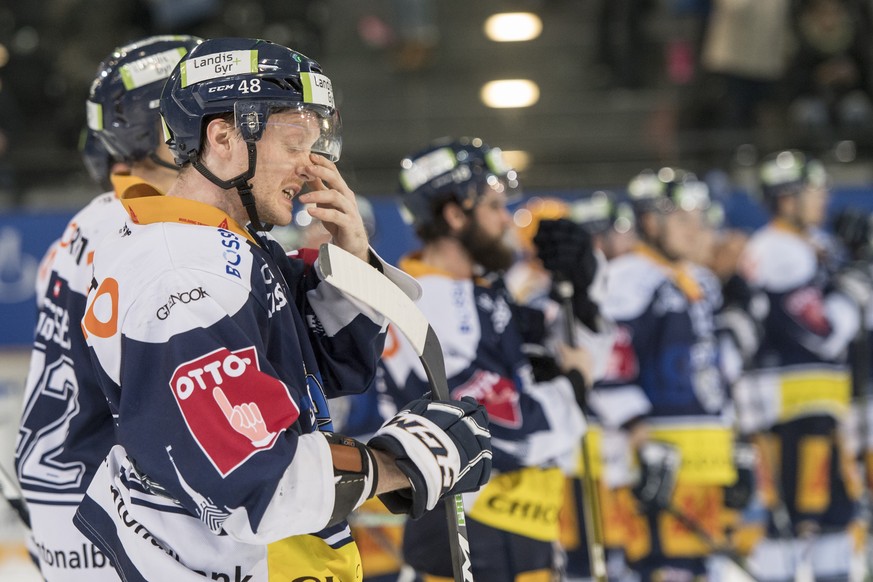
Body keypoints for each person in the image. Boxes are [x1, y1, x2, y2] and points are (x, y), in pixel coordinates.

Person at [71, 38, 492, 582]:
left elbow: (331, 366)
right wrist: (401, 463)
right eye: (295, 141)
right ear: (222, 137)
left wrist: (353, 258)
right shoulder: (181, 277)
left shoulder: (224, 245)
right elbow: (254, 483)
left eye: (318, 143)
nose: (312, 165)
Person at [13, 35, 202, 582]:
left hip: (63, 502)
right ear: (162, 126)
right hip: (119, 521)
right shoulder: (153, 231)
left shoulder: (88, 223)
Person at [379, 137, 594, 581]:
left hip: (517, 523)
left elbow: (554, 344)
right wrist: (572, 389)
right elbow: (495, 423)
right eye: (494, 207)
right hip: (471, 525)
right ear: (455, 215)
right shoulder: (428, 302)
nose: (507, 221)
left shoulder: (477, 287)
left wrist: (582, 284)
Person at [593, 168, 741, 581]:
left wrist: (735, 440)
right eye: (682, 219)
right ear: (650, 222)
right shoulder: (627, 278)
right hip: (659, 452)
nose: (697, 230)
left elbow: (712, 369)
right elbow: (608, 367)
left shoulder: (701, 280)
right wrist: (641, 437)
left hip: (706, 455)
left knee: (700, 566)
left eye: (700, 218)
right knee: (659, 567)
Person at [738, 150, 868, 582]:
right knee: (791, 518)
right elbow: (824, 331)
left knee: (836, 512)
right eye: (815, 192)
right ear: (787, 198)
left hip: (822, 408)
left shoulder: (808, 245)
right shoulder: (776, 249)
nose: (824, 200)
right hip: (790, 412)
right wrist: (854, 285)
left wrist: (853, 267)